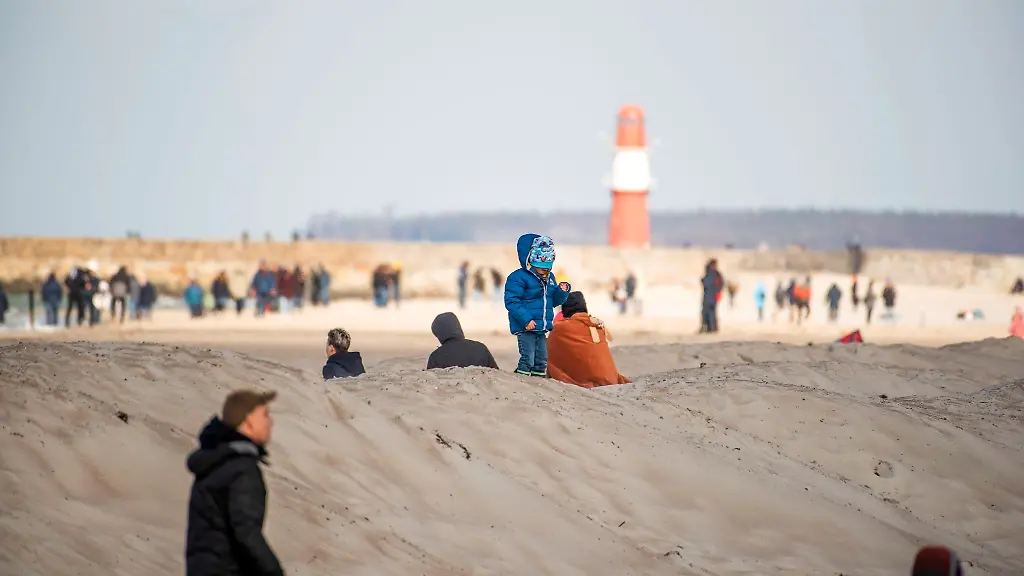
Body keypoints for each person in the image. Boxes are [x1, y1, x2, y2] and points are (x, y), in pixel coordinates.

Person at [185, 389, 284, 576]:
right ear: (247, 421)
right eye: (264, 415)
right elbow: (246, 532)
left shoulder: (216, 461)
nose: (270, 422)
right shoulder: (241, 469)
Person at [504, 234, 571, 377]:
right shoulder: (517, 278)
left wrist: (562, 292)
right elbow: (512, 301)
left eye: (547, 268)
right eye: (541, 269)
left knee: (541, 361)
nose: (545, 272)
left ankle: (538, 386)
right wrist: (526, 320)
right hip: (525, 326)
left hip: (542, 326)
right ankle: (520, 382)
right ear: (530, 263)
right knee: (528, 358)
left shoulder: (550, 277)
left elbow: (553, 301)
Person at [546, 292, 630, 388]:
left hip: (588, 379)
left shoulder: (561, 327)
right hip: (611, 377)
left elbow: (549, 353)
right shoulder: (596, 324)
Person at [426, 312, 499, 370]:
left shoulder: (436, 357)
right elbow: (497, 375)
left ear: (439, 335)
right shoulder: (481, 348)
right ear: (458, 327)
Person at [700, 259, 723, 333]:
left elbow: (718, 285)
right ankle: (708, 328)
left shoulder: (715, 274)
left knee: (711, 313)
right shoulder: (712, 273)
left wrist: (718, 293)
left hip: (711, 296)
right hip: (708, 295)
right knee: (706, 313)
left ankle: (712, 328)